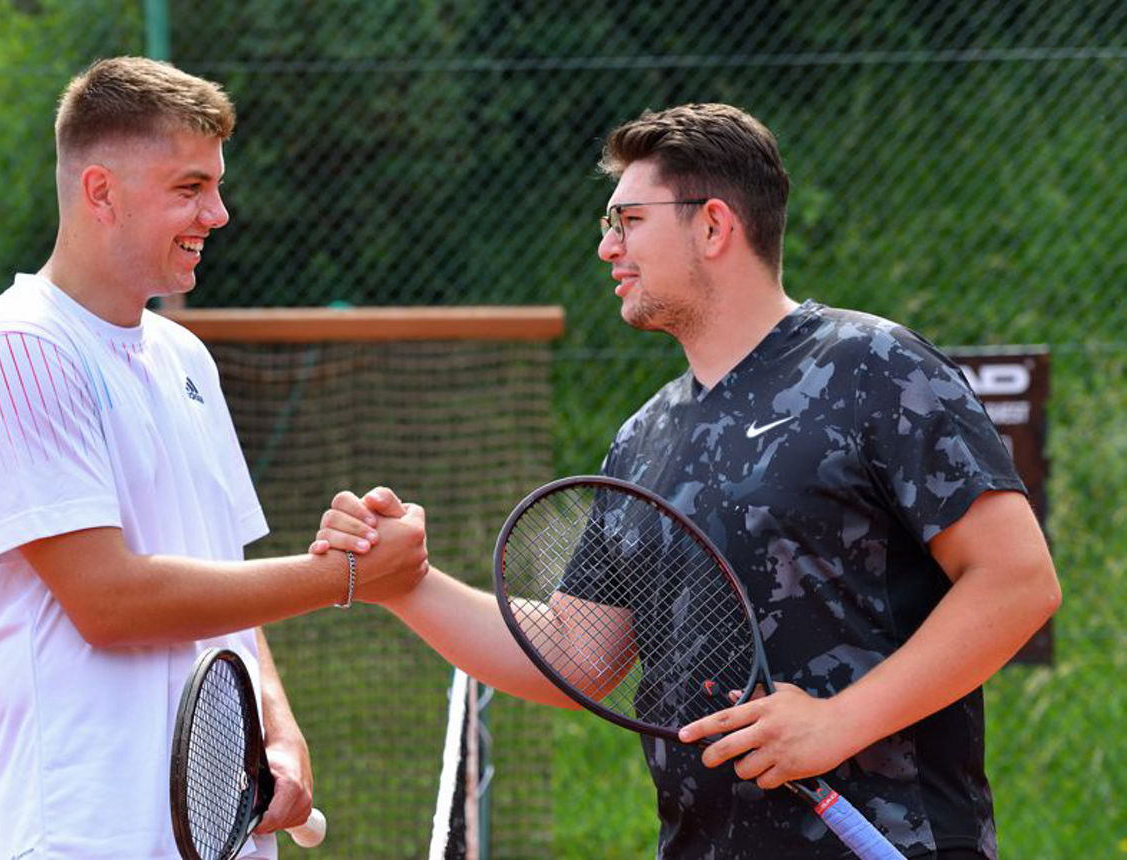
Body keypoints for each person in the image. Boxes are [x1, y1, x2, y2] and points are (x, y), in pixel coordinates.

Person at [312, 103, 1061, 858]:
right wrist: (406, 583)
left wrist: (840, 722)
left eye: (628, 220)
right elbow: (576, 652)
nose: (607, 246)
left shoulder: (874, 367)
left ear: (712, 226)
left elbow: (1017, 582)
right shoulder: (643, 437)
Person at [0, 57, 427, 859]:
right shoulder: (15, 349)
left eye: (217, 186)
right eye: (190, 188)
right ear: (101, 193)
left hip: (224, 832)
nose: (218, 214)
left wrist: (280, 730)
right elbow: (109, 601)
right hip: (84, 838)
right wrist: (346, 576)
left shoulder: (184, 357)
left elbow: (223, 577)